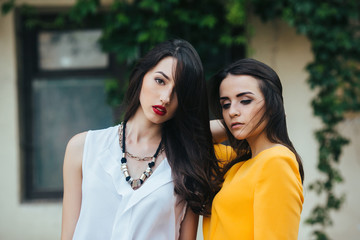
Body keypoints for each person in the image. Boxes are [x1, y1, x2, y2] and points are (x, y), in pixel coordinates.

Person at [61, 39, 221, 240]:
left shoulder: (187, 163)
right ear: (141, 76)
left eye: (179, 91)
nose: (165, 97)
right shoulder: (83, 148)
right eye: (160, 81)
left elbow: (230, 129)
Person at [204, 58, 304, 240]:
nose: (232, 111)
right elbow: (190, 139)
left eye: (245, 101)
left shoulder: (277, 161)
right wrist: (229, 126)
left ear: (272, 105)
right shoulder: (236, 164)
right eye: (225, 105)